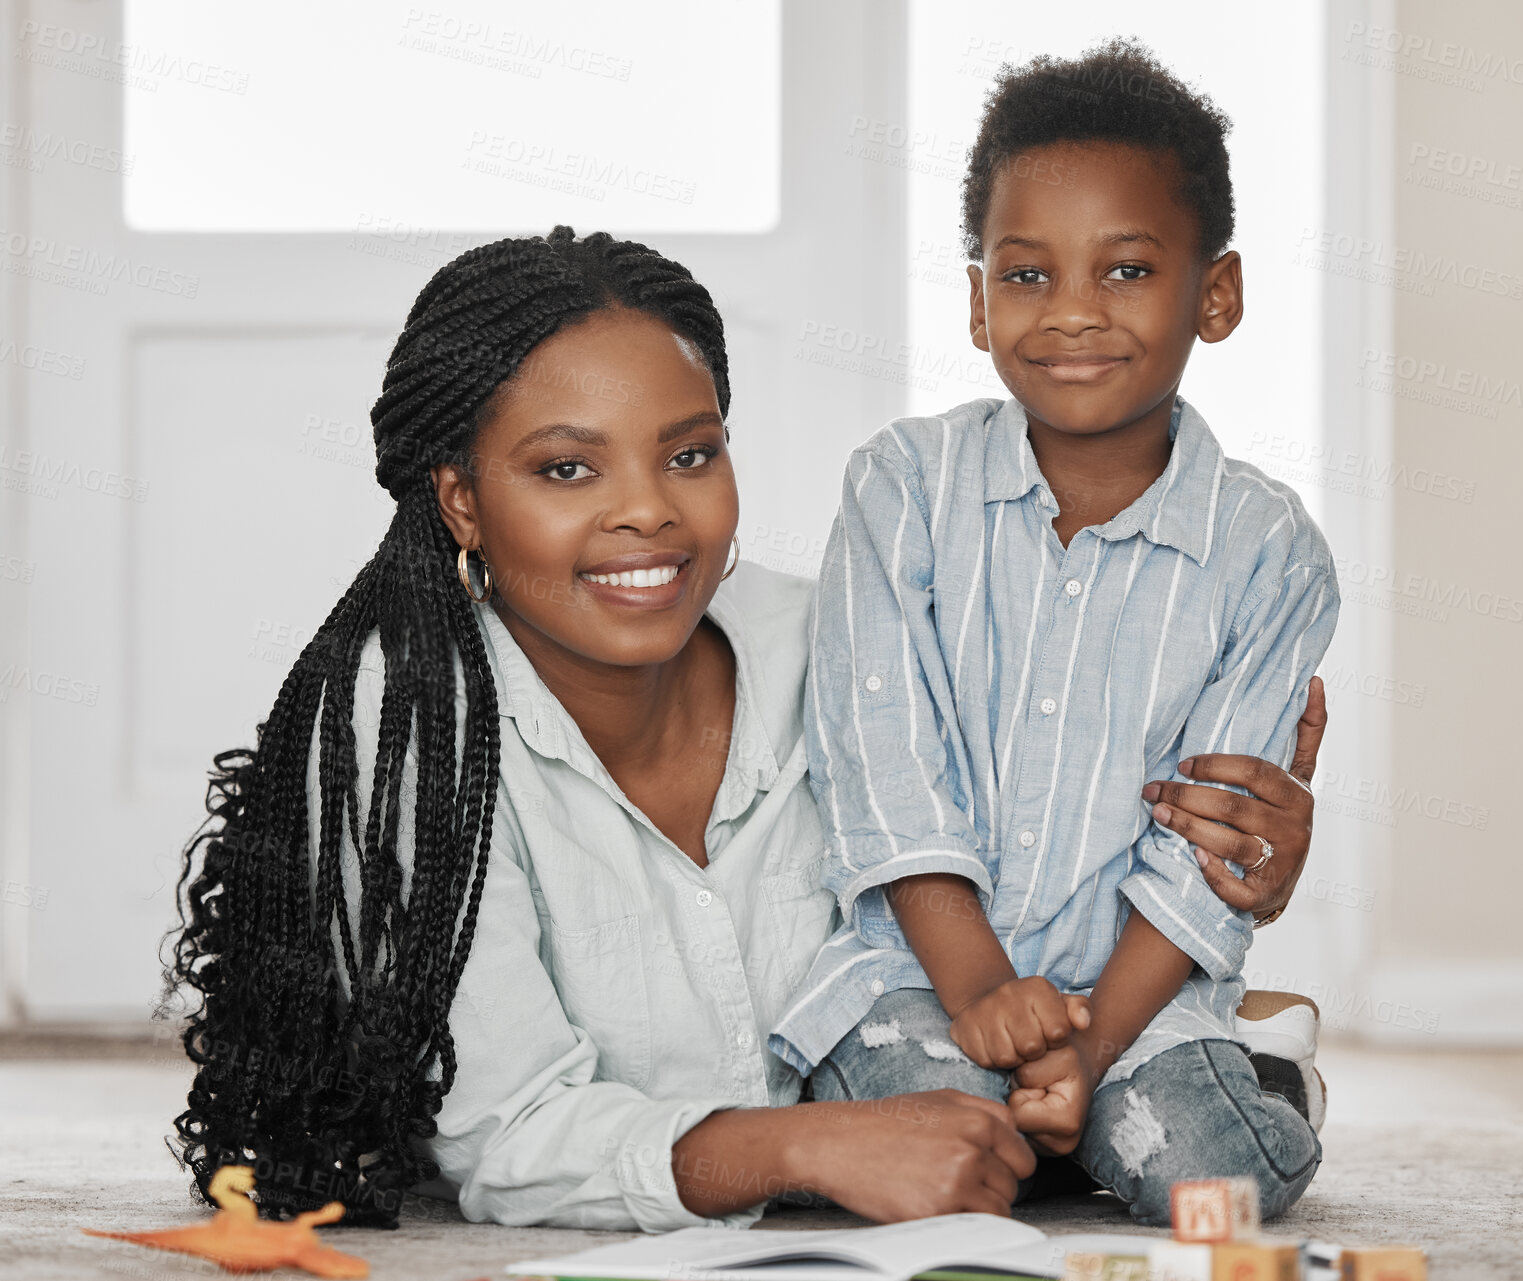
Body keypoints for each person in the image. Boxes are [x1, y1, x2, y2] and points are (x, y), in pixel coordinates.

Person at [164, 225, 1329, 1232]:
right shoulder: (417, 729)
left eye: (690, 453)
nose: (648, 512)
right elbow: (506, 1133)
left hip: (958, 1079)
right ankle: (1256, 1061)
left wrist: (1235, 850)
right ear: (462, 498)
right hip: (857, 1133)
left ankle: (1233, 1050)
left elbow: (1039, 841)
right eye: (566, 468)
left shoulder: (834, 640)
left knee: (1133, 1128)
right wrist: (803, 1151)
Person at [768, 39, 1341, 1227]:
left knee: (1220, 1186)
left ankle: (1238, 1072)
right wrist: (979, 991)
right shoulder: (902, 488)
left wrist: (1089, 1048)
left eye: (1126, 270)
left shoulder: (1268, 551)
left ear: (1215, 294)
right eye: (1026, 276)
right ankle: (1046, 1122)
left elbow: (1210, 834)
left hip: (1141, 999)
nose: (1072, 313)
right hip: (924, 977)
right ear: (978, 302)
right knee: (920, 1144)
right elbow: (880, 760)